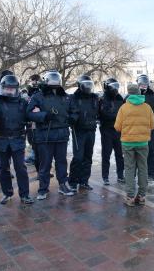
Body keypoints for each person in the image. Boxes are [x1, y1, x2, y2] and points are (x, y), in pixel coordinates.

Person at [26, 70, 75, 200]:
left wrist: (72, 118)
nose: (54, 81)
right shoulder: (38, 96)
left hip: (62, 134)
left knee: (61, 162)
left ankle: (63, 185)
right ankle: (43, 188)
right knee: (45, 163)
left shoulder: (65, 96)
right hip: (45, 135)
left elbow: (73, 110)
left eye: (56, 78)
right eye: (51, 78)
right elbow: (29, 113)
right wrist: (44, 115)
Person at [0, 75, 33, 204]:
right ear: (2, 88)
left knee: (20, 168)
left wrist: (37, 114)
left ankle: (24, 194)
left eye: (11, 89)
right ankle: (7, 193)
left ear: (16, 89)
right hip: (0, 139)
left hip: (17, 140)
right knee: (3, 169)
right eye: (7, 88)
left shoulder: (23, 103)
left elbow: (29, 117)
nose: (9, 91)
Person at [114, 84, 154, 206]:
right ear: (138, 93)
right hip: (143, 143)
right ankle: (142, 196)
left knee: (129, 169)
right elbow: (152, 125)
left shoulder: (124, 108)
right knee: (143, 168)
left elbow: (117, 126)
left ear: (129, 93)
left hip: (127, 143)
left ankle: (130, 197)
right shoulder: (147, 107)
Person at [68, 75, 99, 191]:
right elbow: (70, 112)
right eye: (86, 85)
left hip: (91, 130)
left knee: (88, 157)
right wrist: (72, 119)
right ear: (80, 85)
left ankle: (84, 181)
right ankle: (72, 180)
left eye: (90, 85)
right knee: (78, 157)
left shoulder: (94, 98)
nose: (88, 87)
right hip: (78, 131)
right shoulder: (73, 98)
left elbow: (99, 111)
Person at [136, 74, 154, 182]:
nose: (143, 86)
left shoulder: (153, 96)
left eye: (145, 84)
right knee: (138, 151)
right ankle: (138, 173)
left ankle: (151, 173)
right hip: (136, 129)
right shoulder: (132, 96)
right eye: (141, 84)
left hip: (150, 129)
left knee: (151, 151)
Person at [99, 78, 125, 185]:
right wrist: (116, 117)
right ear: (107, 87)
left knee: (119, 154)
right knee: (106, 154)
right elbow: (103, 114)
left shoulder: (120, 99)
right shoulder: (102, 99)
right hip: (107, 130)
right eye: (113, 86)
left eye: (117, 86)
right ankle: (105, 176)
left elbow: (124, 112)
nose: (115, 89)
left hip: (118, 130)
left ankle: (120, 175)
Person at [24, 74, 41, 167]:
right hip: (29, 119)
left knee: (36, 140)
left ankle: (35, 157)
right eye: (32, 80)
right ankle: (33, 156)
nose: (33, 82)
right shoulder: (28, 90)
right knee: (30, 139)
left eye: (35, 80)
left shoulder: (41, 90)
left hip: (38, 119)